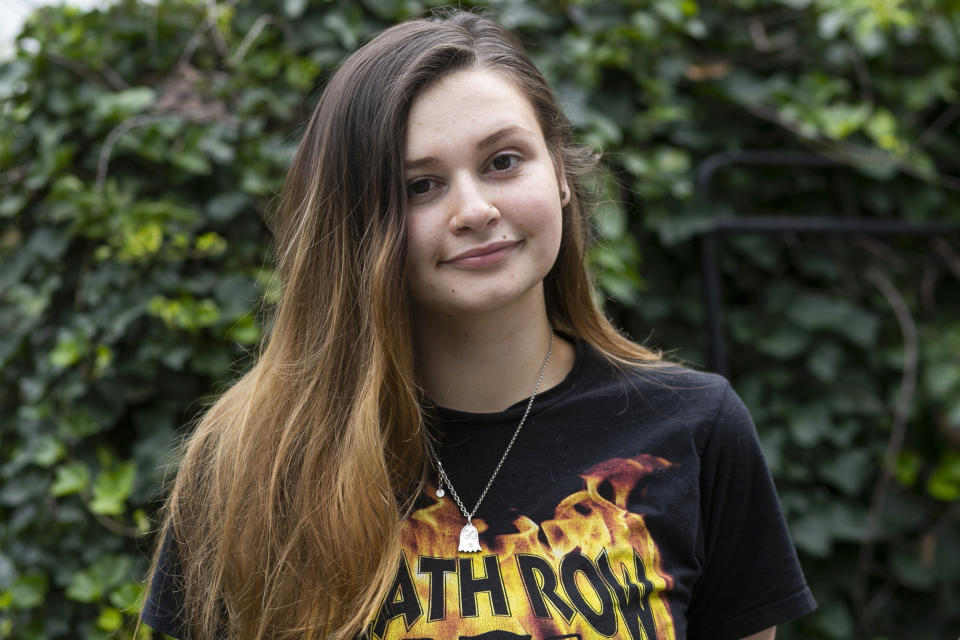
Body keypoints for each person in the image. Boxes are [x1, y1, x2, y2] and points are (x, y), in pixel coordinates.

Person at [140, 9, 816, 640]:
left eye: (502, 161)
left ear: (559, 173)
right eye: (420, 186)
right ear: (356, 227)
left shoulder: (694, 431)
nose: (474, 209)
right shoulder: (254, 461)